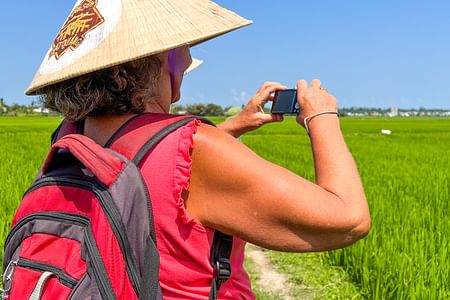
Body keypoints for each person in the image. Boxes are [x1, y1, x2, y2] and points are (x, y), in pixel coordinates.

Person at [25, 0, 370, 298]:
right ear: (162, 64)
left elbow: (152, 171)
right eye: (182, 55)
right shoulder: (193, 149)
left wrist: (234, 126)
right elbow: (348, 220)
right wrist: (322, 116)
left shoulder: (70, 138)